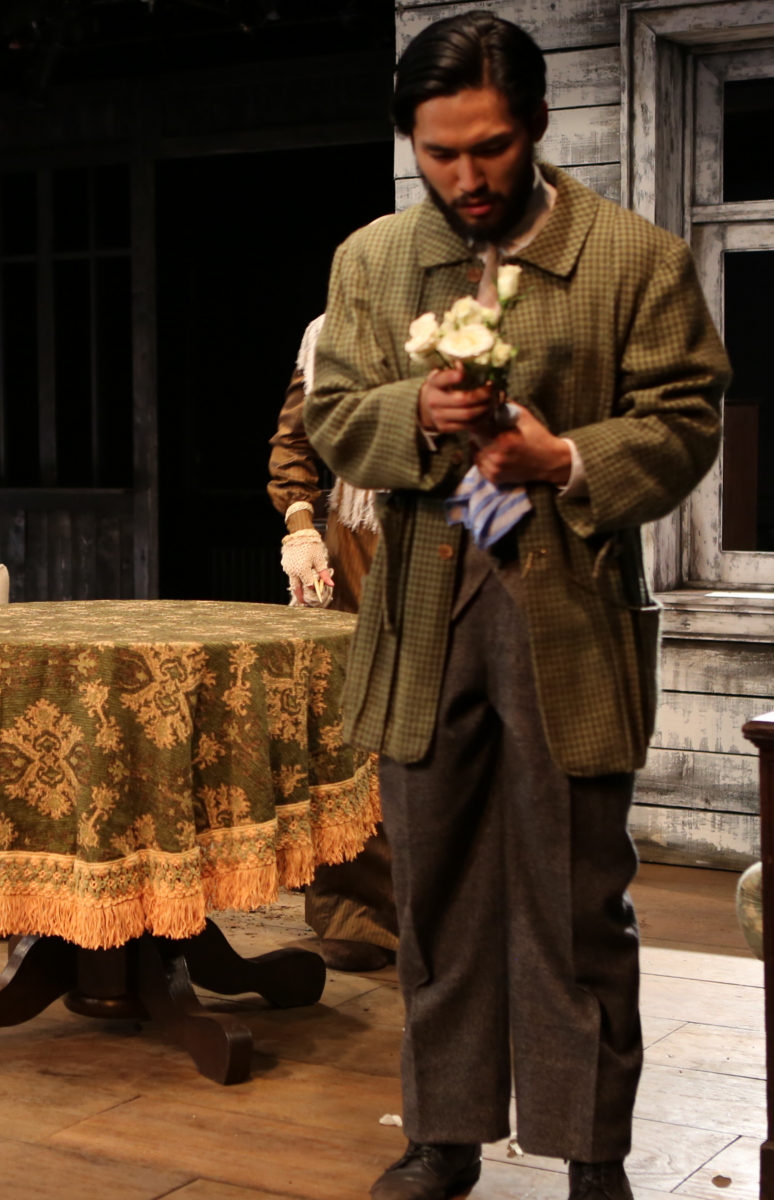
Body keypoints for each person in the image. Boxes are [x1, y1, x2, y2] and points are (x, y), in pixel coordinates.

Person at [305, 13, 728, 1200]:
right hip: (422, 609)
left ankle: (591, 1155)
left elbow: (686, 418)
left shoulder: (635, 260)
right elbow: (331, 416)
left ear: (536, 124)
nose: (466, 176)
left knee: (575, 893)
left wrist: (566, 459)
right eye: (438, 153)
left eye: (488, 147)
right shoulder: (371, 261)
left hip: (567, 612)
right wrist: (412, 414)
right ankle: (441, 1137)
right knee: (431, 886)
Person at [268, 314, 396, 974]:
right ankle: (357, 911)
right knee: (354, 729)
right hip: (359, 544)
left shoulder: (478, 322)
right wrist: (301, 527)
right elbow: (294, 445)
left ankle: (454, 915)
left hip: (459, 536)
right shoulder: (331, 333)